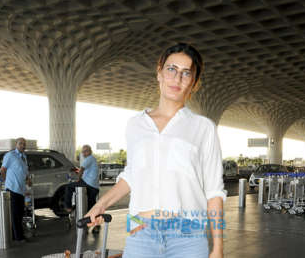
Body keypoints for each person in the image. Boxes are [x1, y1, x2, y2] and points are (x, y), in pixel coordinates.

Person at [86, 43, 227, 258]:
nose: (177, 78)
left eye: (186, 73)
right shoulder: (135, 125)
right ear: (159, 71)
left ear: (193, 83)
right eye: (171, 69)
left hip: (187, 235)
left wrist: (218, 247)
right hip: (139, 230)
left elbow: (214, 191)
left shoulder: (203, 128)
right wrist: (101, 204)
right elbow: (131, 176)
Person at [1, 137, 31, 242]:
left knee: (20, 214)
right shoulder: (10, 155)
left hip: (21, 189)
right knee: (15, 214)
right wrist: (7, 182)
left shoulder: (24, 157)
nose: (23, 145)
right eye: (21, 143)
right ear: (16, 144)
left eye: (24, 144)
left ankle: (16, 236)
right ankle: (19, 237)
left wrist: (28, 180)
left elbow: (24, 171)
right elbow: (3, 169)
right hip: (12, 189)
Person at [64, 145, 100, 231]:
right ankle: (96, 226)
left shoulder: (89, 159)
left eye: (86, 151)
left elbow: (82, 170)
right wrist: (77, 170)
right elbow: (82, 170)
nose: (84, 153)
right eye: (83, 151)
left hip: (88, 183)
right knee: (91, 206)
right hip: (94, 186)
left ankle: (68, 207)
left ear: (90, 151)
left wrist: (78, 180)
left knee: (69, 187)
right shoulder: (92, 159)